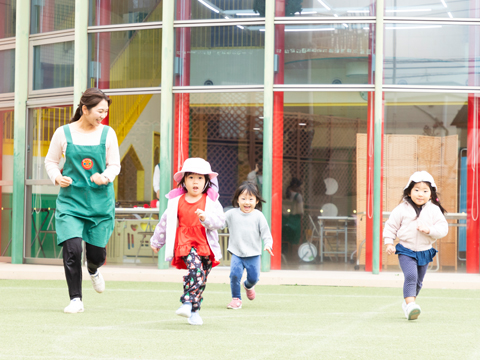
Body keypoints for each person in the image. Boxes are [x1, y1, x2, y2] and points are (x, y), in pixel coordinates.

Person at [45, 88, 120, 314]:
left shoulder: (108, 134)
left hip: (100, 203)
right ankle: (76, 299)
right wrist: (57, 177)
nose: (103, 116)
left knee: (95, 255)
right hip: (71, 203)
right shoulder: (63, 133)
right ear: (84, 109)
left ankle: (95, 270)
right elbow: (50, 161)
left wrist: (104, 176)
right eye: (99, 111)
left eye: (106, 111)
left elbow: (114, 165)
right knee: (73, 249)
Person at [150, 158, 225, 325]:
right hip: (185, 242)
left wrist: (207, 218)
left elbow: (220, 222)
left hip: (205, 244)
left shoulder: (211, 201)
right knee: (195, 270)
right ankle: (186, 302)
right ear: (184, 180)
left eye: (200, 178)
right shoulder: (177, 201)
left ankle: (194, 310)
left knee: (200, 278)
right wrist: (156, 242)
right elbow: (165, 222)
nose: (195, 182)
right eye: (191, 177)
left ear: (206, 181)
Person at [384, 171, 448, 320]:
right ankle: (411, 304)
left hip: (424, 251)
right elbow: (390, 226)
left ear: (431, 194)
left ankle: (408, 305)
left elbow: (443, 229)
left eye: (425, 191)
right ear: (409, 191)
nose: (420, 194)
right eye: (416, 190)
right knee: (411, 276)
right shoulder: (401, 209)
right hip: (406, 249)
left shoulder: (434, 210)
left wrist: (430, 230)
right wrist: (389, 243)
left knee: (418, 281)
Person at [224, 181, 273, 310]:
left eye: (251, 199)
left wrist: (268, 244)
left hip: (254, 254)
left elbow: (266, 234)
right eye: (243, 198)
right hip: (237, 253)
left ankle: (248, 285)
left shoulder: (259, 216)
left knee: (254, 277)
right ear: (237, 200)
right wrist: (205, 219)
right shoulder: (231, 214)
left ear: (256, 201)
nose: (247, 202)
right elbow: (218, 223)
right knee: (234, 275)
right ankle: (236, 299)